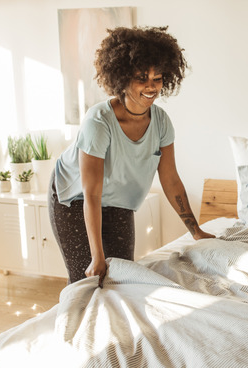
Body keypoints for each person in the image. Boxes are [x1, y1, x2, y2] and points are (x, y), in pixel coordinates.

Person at [49, 26, 214, 285]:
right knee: (90, 281)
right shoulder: (99, 122)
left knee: (122, 280)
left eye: (157, 78)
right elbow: (91, 193)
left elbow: (170, 179)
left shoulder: (161, 123)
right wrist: (97, 256)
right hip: (75, 200)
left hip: (119, 202)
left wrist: (196, 231)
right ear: (122, 78)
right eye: (141, 78)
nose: (151, 87)